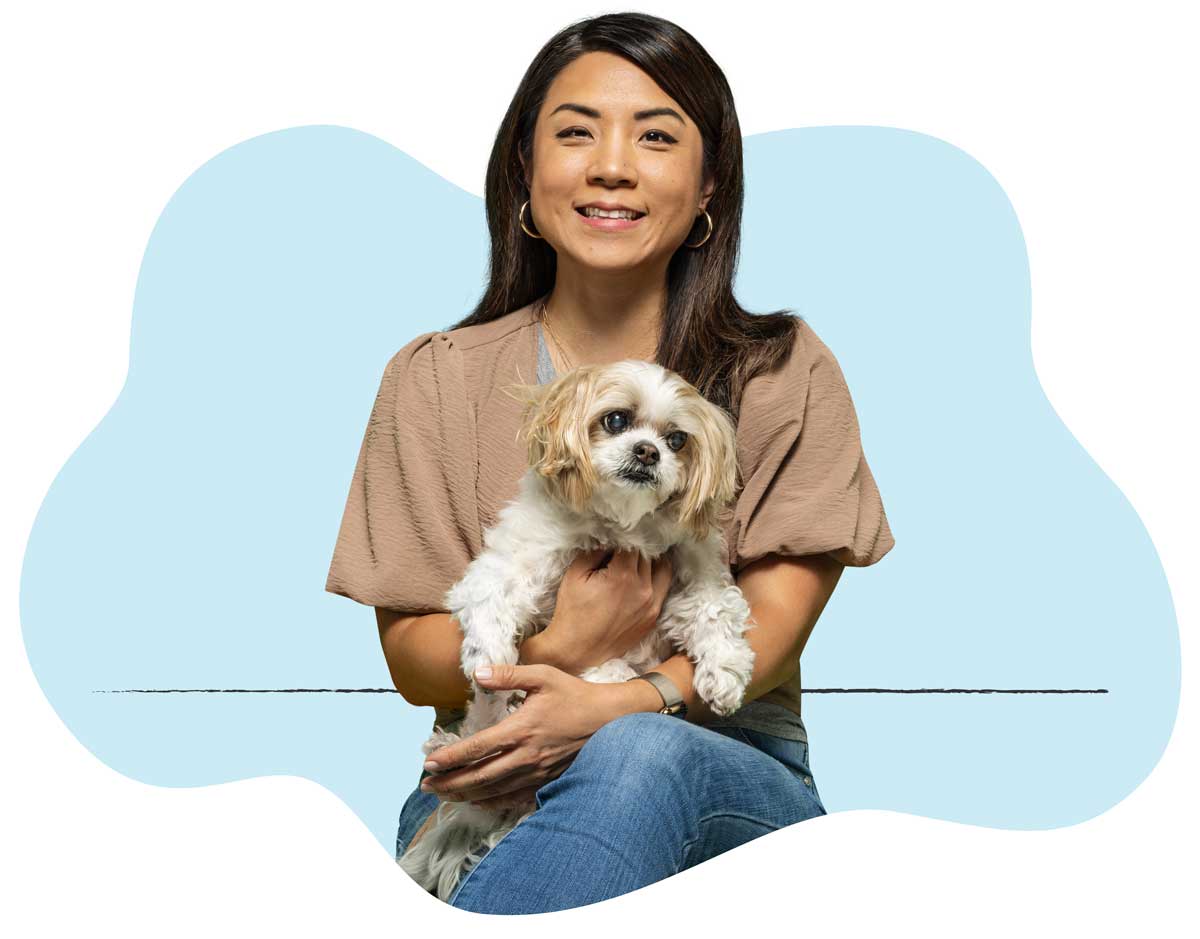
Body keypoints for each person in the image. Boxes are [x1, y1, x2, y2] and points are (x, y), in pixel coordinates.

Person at [325, 11, 895, 914]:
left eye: (657, 136)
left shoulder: (786, 370)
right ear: (524, 168)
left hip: (725, 769)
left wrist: (621, 705)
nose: (612, 166)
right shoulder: (433, 379)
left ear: (710, 185)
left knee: (636, 753)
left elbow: (768, 635)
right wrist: (568, 651)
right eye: (576, 132)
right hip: (493, 775)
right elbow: (414, 659)